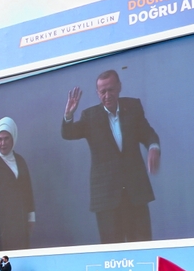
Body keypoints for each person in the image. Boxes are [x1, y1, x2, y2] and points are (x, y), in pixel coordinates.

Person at [61, 69, 161, 244]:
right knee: (112, 252)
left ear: (119, 87)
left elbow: (148, 133)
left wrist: (153, 147)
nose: (107, 95)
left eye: (111, 90)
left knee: (143, 247)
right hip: (106, 198)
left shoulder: (133, 107)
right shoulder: (90, 116)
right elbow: (68, 133)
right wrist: (68, 115)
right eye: (103, 91)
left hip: (135, 194)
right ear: (97, 93)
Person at [0, 117, 35, 252]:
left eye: (6, 138)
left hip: (20, 223)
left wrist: (31, 217)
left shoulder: (20, 161)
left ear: (13, 138)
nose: (2, 143)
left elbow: (28, 190)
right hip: (0, 226)